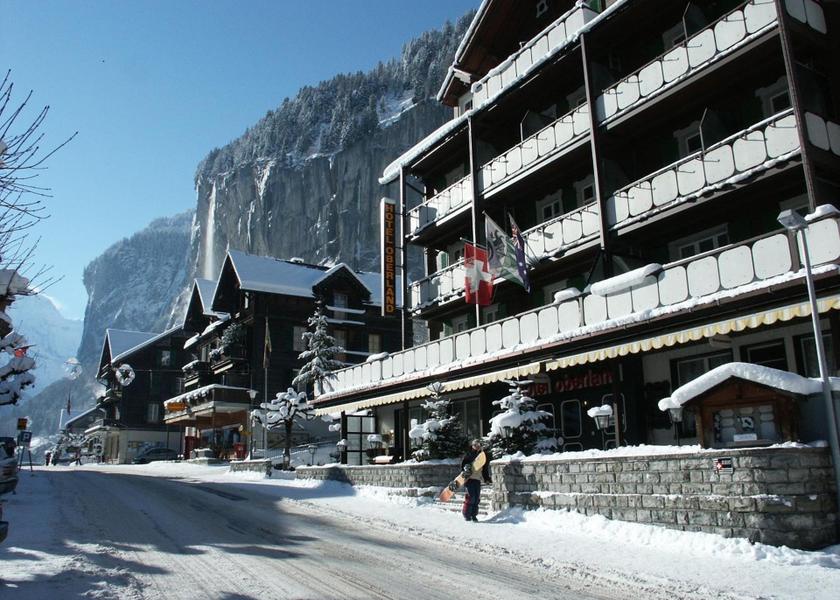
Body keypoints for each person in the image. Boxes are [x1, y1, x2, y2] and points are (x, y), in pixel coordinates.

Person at [460, 439, 491, 522]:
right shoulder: (469, 454)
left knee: (476, 498)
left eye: (478, 445)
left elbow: (485, 469)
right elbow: (463, 465)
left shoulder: (482, 456)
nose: (477, 447)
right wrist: (466, 469)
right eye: (475, 445)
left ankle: (474, 515)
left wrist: (487, 478)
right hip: (469, 479)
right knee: (471, 497)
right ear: (473, 445)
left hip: (477, 479)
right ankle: (467, 515)